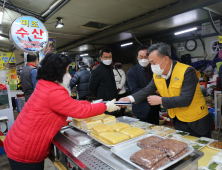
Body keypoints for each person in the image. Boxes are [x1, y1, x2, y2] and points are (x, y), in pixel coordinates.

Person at [4, 53, 120, 170]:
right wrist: (105, 107)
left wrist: (91, 104)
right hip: (25, 151)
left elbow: (69, 104)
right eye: (67, 70)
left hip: (18, 143)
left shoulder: (45, 85)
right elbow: (80, 111)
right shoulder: (53, 92)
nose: (69, 74)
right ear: (58, 72)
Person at [120, 43, 214, 138]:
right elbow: (146, 90)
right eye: (150, 63)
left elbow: (186, 99)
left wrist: (160, 100)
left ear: (165, 59)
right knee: (183, 148)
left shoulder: (187, 71)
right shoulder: (158, 74)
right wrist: (128, 99)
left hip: (197, 121)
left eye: (153, 62)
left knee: (203, 150)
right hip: (178, 121)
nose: (151, 66)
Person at [127, 46, 160, 125]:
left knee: (156, 129)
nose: (143, 59)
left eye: (146, 57)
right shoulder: (132, 72)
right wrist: (154, 91)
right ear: (137, 57)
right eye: (141, 57)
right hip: (142, 108)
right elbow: (134, 90)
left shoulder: (154, 68)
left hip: (155, 106)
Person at [89, 48, 118, 116]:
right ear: (101, 58)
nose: (108, 59)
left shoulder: (110, 68)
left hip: (113, 100)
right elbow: (91, 87)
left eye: (109, 57)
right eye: (105, 57)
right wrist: (101, 96)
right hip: (104, 103)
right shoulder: (96, 70)